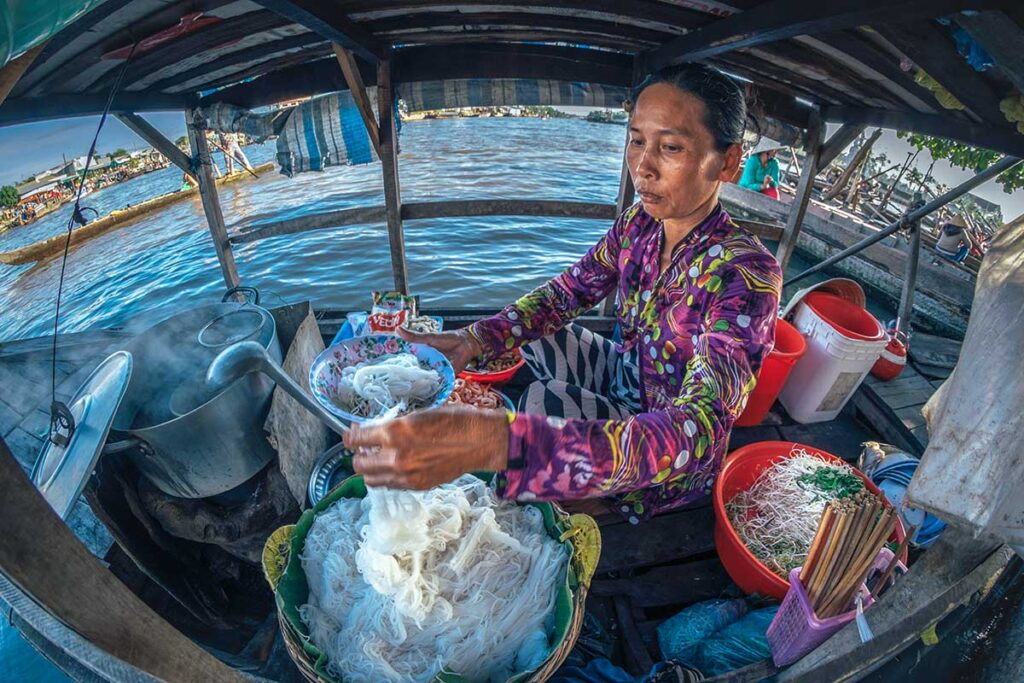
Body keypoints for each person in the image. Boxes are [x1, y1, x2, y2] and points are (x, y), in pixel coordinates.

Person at [344, 63, 783, 522]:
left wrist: (503, 441)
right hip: (626, 374)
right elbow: (566, 293)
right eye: (636, 141)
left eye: (670, 147)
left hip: (665, 454)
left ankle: (615, 499)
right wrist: (474, 339)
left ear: (728, 163)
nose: (643, 167)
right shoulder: (640, 224)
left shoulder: (747, 276)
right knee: (531, 331)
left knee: (538, 404)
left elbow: (698, 431)